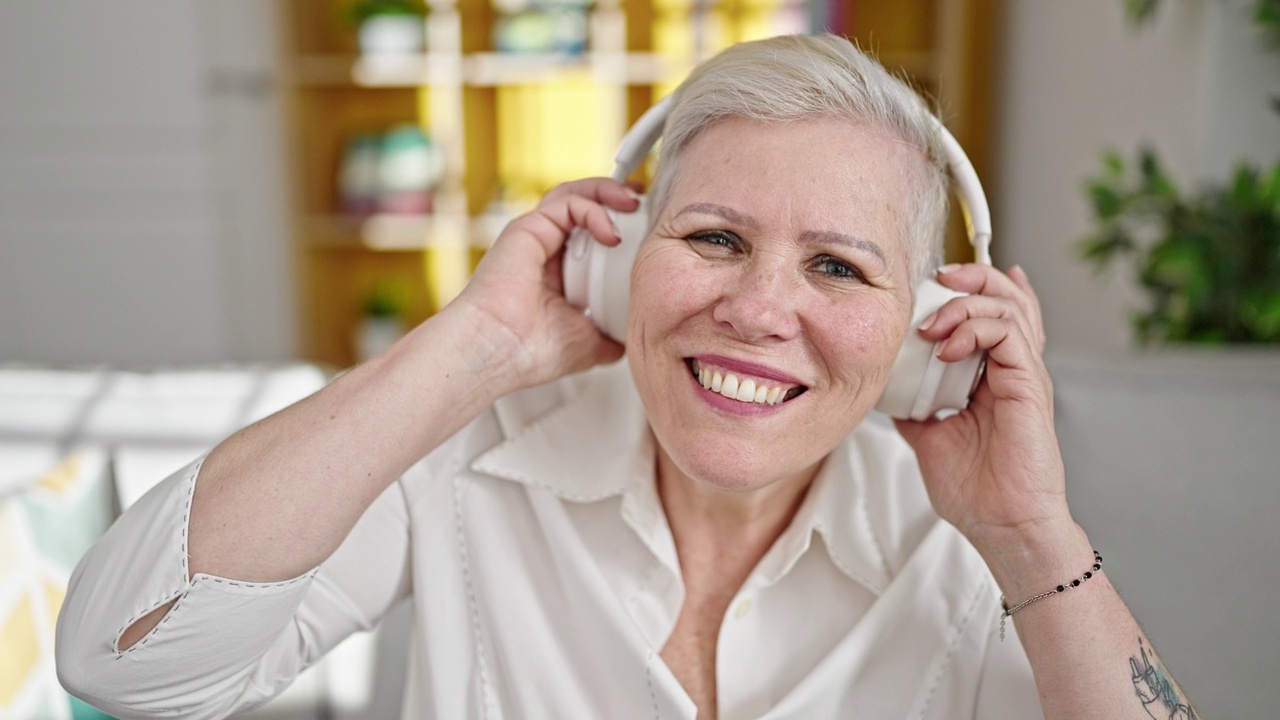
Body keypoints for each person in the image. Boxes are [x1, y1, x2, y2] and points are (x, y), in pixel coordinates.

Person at [56, 34, 1199, 720]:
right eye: (711, 238)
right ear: (613, 267)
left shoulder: (973, 552)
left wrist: (1032, 536)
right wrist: (473, 345)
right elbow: (125, 662)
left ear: (919, 333)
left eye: (837, 266)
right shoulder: (478, 452)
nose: (755, 310)